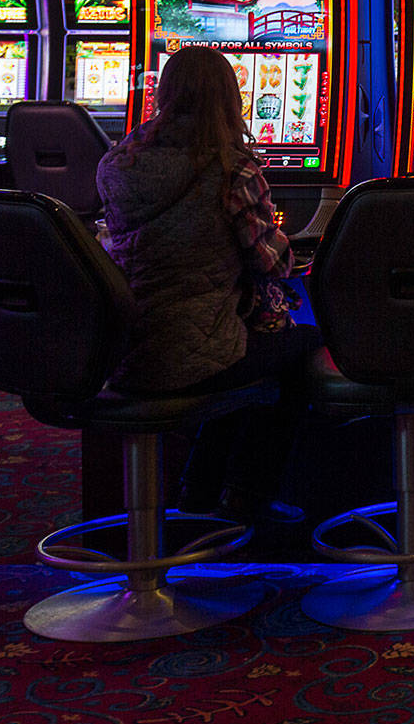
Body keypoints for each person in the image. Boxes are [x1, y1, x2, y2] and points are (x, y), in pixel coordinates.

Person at [97, 46, 319, 524]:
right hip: (191, 354)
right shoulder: (231, 169)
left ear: (164, 95)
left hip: (121, 350)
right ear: (230, 100)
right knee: (303, 348)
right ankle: (249, 496)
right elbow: (271, 262)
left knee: (240, 350)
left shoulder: (119, 164)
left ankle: (198, 494)